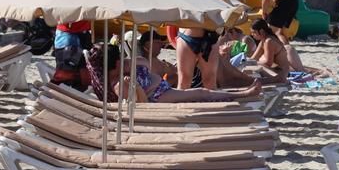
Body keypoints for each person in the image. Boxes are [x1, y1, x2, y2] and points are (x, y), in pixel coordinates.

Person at [95, 43, 260, 104]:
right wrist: (136, 87)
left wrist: (129, 63)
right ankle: (244, 94)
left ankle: (241, 92)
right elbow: (142, 106)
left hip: (163, 88)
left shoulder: (125, 68)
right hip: (158, 96)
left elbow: (146, 63)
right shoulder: (119, 85)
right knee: (201, 94)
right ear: (115, 63)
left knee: (202, 92)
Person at [252, 0, 306, 71]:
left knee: (269, 32)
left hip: (284, 3)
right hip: (293, 1)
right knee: (280, 32)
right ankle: (289, 57)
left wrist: (264, 11)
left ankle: (285, 60)